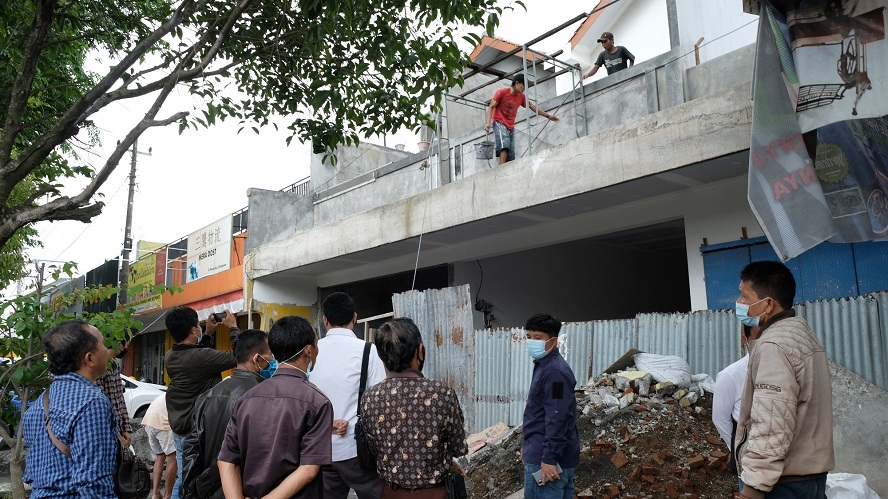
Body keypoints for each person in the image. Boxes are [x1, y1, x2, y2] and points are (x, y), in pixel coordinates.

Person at [734, 261, 834, 499]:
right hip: (811, 477)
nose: (739, 304)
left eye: (744, 296)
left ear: (768, 303)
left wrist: (752, 489)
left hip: (782, 484)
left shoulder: (773, 345)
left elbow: (771, 423)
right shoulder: (802, 334)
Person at [218, 316, 333, 499]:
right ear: (308, 351)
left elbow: (226, 461)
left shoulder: (246, 399)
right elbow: (309, 469)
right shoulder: (317, 402)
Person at [360, 317, 468, 499]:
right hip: (434, 494)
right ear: (420, 350)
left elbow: (376, 448)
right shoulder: (441, 393)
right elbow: (458, 447)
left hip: (390, 493)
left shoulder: (370, 397)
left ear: (381, 355)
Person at [22, 320, 117, 498]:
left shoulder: (41, 402)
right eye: (103, 345)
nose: (106, 351)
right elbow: (93, 484)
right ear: (89, 358)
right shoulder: (92, 403)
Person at [310, 292, 386, 499]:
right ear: (354, 317)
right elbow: (378, 403)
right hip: (356, 451)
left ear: (324, 319)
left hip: (318, 449)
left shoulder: (309, 354)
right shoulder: (369, 352)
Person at [181, 329, 272, 499]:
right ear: (257, 359)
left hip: (209, 489)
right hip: (243, 489)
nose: (272, 360)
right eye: (270, 355)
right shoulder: (263, 397)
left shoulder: (208, 396)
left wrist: (194, 489)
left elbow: (192, 448)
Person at [165, 307, 240, 499]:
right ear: (192, 331)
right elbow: (238, 357)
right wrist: (233, 328)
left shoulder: (171, 356)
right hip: (195, 430)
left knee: (183, 476)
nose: (200, 329)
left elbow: (198, 359)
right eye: (198, 327)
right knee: (196, 480)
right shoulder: (202, 357)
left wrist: (207, 334)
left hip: (179, 425)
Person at [521, 313, 579, 499]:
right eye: (529, 337)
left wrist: (548, 458)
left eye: (538, 338)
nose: (531, 342)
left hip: (547, 463)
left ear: (553, 341)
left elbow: (557, 416)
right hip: (542, 454)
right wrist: (527, 445)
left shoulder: (554, 373)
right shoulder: (545, 366)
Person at [712, 325, 759, 489]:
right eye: (758, 336)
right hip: (751, 464)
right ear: (744, 338)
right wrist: (740, 449)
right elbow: (720, 419)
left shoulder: (787, 371)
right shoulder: (730, 376)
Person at [484, 73, 559, 165]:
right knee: (504, 142)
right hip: (499, 122)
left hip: (510, 126)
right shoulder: (501, 92)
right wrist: (488, 123)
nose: (524, 88)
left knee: (511, 153)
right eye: (523, 85)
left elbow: (533, 107)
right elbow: (491, 107)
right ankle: (501, 168)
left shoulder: (521, 97)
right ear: (517, 83)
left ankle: (507, 173)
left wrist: (548, 116)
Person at [141, 394, 177, 499]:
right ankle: (167, 496)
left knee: (160, 456)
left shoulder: (167, 393)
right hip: (162, 423)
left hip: (149, 422)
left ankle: (155, 493)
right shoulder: (180, 393)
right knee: (173, 457)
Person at [98, 341, 133, 448]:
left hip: (118, 428)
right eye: (126, 344)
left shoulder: (115, 364)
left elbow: (120, 398)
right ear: (118, 343)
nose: (126, 348)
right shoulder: (99, 367)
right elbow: (102, 404)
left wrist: (126, 428)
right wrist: (117, 434)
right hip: (107, 430)